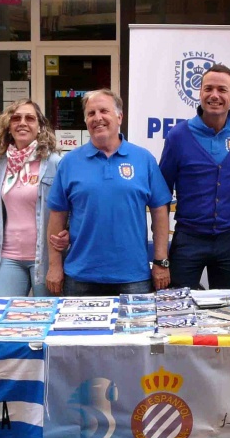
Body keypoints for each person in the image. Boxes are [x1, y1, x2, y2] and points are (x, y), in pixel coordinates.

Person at [45, 89, 172, 297]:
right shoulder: (69, 162)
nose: (97, 118)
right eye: (91, 113)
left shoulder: (143, 159)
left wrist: (161, 261)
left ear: (119, 117)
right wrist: (54, 266)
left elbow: (160, 211)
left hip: (134, 277)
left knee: (138, 331)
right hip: (80, 277)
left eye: (104, 111)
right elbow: (56, 217)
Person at [159, 63, 230, 290]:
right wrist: (160, 252)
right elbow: (161, 194)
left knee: (226, 312)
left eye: (222, 90)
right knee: (179, 309)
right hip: (188, 239)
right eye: (208, 89)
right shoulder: (178, 136)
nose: (214, 95)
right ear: (200, 93)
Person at [0, 99, 63, 297]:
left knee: (44, 319)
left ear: (40, 127)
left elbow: (69, 210)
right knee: (4, 317)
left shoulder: (54, 163)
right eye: (16, 118)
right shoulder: (3, 163)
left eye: (30, 118)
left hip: (45, 258)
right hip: (9, 256)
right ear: (9, 126)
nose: (22, 122)